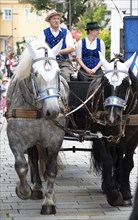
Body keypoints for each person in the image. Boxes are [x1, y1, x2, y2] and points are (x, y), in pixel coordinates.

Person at [39, 9, 75, 81]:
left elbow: (71, 47)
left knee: (65, 77)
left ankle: (66, 92)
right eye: (54, 19)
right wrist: (50, 53)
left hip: (63, 62)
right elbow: (40, 48)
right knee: (43, 78)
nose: (56, 21)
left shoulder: (66, 32)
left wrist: (58, 51)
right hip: (48, 62)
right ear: (49, 21)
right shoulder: (43, 33)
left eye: (58, 19)